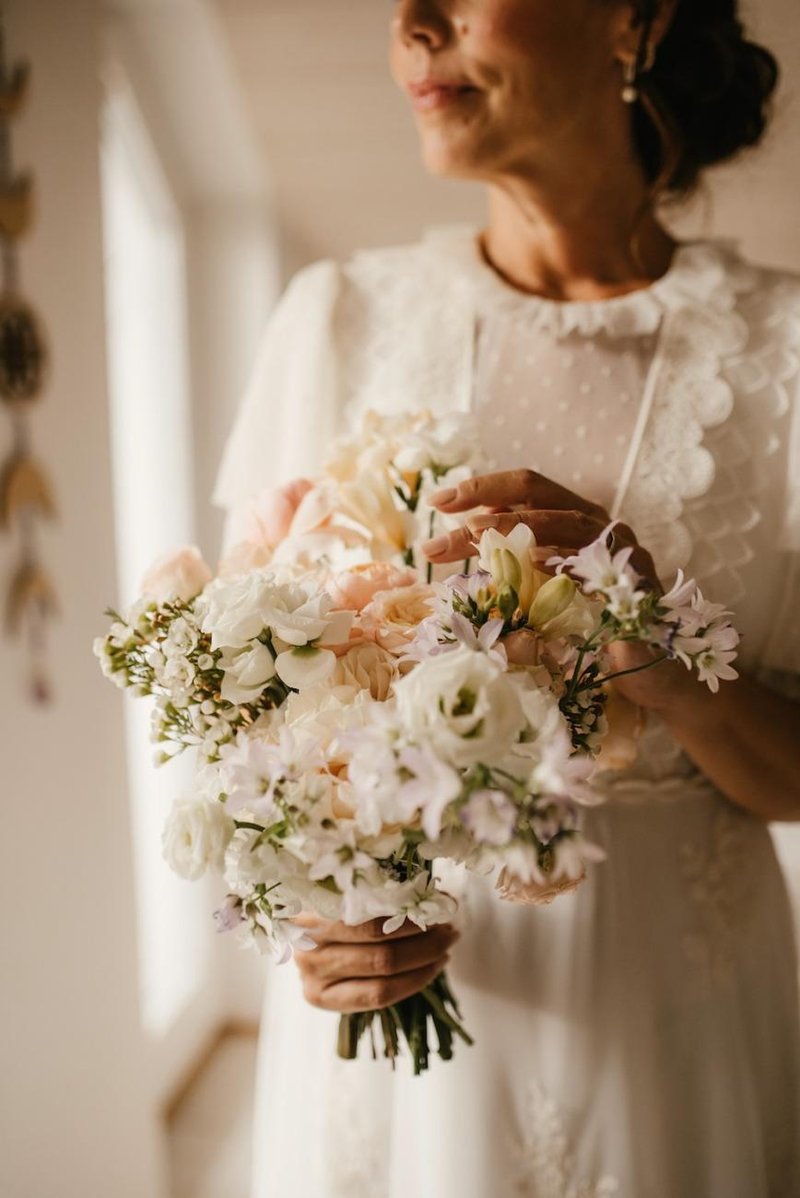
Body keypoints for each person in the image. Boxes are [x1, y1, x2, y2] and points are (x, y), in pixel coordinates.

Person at [213, 2, 800, 1194]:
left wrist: (653, 659)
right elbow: (238, 713)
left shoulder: (783, 347)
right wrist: (315, 924)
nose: (413, 24)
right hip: (400, 1038)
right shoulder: (336, 319)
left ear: (626, 20)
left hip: (667, 1019)